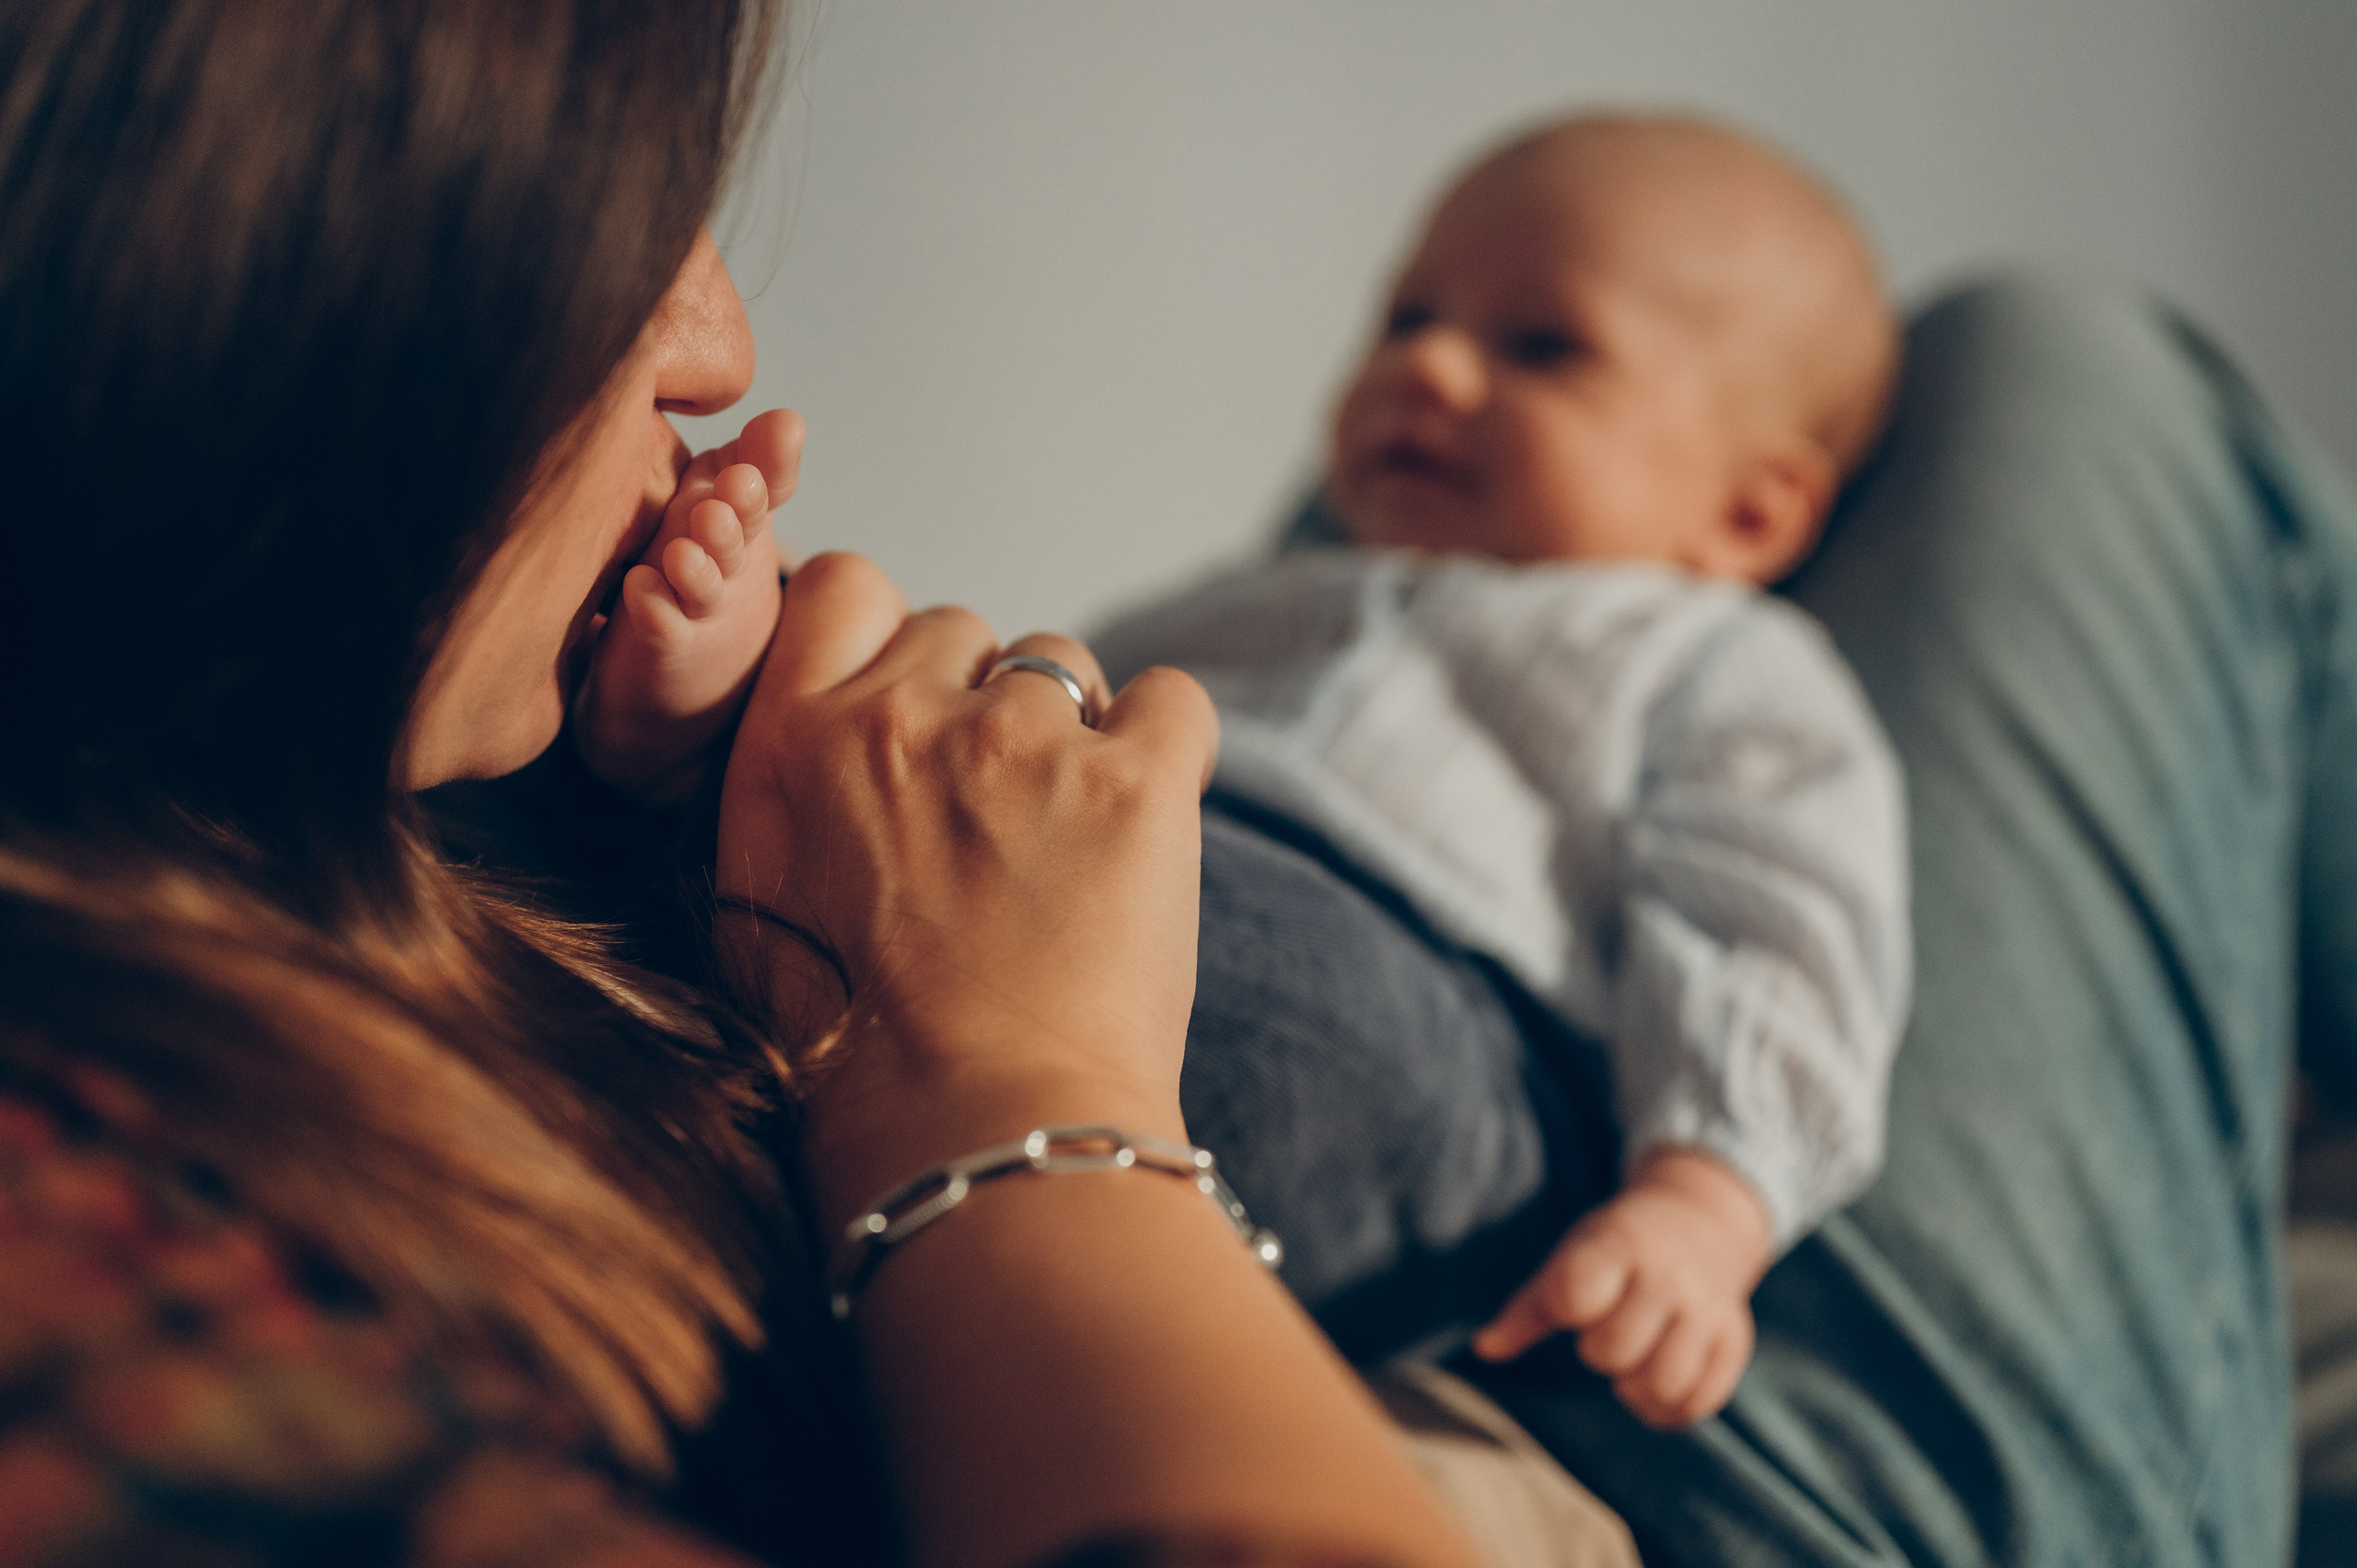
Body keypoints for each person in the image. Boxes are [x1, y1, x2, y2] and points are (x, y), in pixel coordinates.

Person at [0, 5, 1483, 1566]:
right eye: (586, 205)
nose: (721, 345)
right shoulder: (76, 1295)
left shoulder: (321, 804)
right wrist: (1005, 1080)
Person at [1092, 113, 1909, 1432]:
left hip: (1439, 1033)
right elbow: (1045, 710)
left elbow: (1780, 927)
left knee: (1182, 930)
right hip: (1138, 881)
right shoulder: (1260, 599)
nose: (1430, 366)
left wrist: (1704, 1202)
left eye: (1542, 347)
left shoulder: (1711, 655)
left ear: (1747, 512)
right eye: (1407, 317)